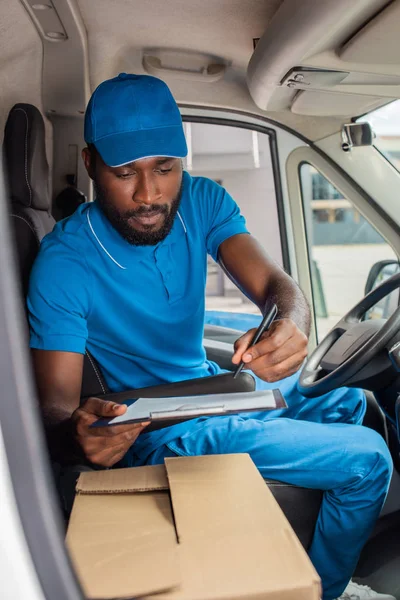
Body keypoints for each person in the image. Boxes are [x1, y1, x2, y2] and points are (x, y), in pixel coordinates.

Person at [27, 73, 394, 600]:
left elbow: (275, 286)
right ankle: (325, 591)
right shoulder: (64, 264)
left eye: (165, 168)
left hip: (209, 389)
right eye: (124, 172)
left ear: (183, 161)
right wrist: (79, 434)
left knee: (345, 400)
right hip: (155, 429)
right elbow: (55, 410)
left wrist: (293, 320)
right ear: (90, 165)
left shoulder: (200, 200)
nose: (149, 194)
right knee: (369, 461)